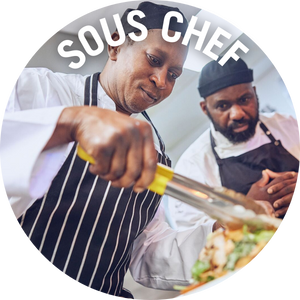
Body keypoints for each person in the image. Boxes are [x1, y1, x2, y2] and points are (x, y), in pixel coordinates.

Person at [0, 2, 223, 299]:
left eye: (174, 75)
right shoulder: (37, 90)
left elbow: (146, 249)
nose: (161, 81)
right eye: (154, 59)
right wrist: (70, 123)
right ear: (116, 45)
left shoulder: (156, 154)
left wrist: (223, 237)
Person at [168, 57, 300, 231]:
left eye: (245, 100)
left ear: (254, 93)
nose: (237, 114)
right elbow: (192, 241)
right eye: (223, 106)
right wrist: (245, 211)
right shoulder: (192, 167)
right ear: (205, 108)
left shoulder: (288, 124)